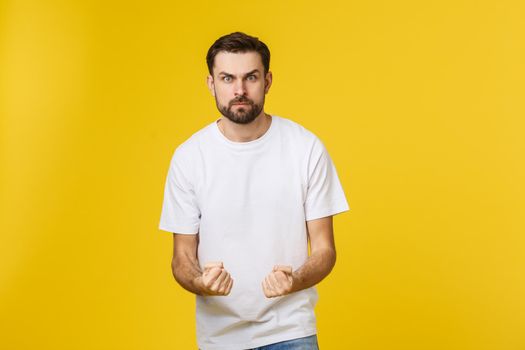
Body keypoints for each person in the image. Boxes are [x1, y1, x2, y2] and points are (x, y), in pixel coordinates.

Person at [159, 31, 350, 350]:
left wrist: (295, 280)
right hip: (219, 336)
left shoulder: (305, 148)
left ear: (268, 80)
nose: (239, 90)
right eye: (227, 78)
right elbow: (182, 257)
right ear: (211, 83)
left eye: (251, 77)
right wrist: (200, 282)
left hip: (290, 330)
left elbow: (324, 249)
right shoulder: (190, 157)